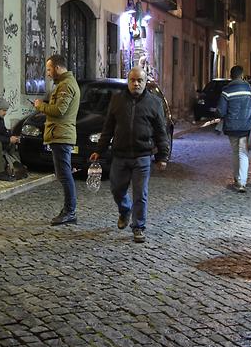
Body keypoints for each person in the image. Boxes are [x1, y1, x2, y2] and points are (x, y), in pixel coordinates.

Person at [90, 67, 170, 243]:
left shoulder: (154, 103)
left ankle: (138, 227)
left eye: (139, 81)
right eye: (132, 80)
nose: (136, 84)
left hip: (142, 156)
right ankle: (125, 209)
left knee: (140, 194)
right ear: (128, 81)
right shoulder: (118, 100)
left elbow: (161, 132)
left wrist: (162, 157)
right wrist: (99, 150)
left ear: (145, 82)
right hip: (120, 155)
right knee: (117, 189)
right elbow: (108, 127)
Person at [33, 54, 80, 225]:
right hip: (59, 134)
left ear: (58, 68)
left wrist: (41, 106)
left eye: (49, 69)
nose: (48, 73)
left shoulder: (66, 85)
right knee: (64, 174)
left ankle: (70, 211)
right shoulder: (64, 84)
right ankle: (69, 210)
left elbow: (60, 110)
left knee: (65, 175)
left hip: (61, 135)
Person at [216, 65, 251, 193]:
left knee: (236, 152)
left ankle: (238, 179)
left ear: (231, 76)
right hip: (248, 127)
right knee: (243, 153)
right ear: (242, 75)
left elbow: (221, 111)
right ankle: (242, 181)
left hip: (231, 127)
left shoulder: (226, 91)